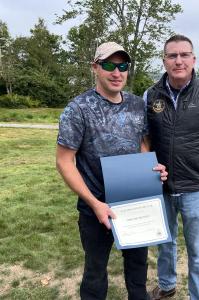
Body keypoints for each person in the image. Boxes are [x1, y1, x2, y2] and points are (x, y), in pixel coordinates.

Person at [56, 41, 167, 300]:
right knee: (95, 274)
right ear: (95, 67)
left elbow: (143, 144)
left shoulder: (138, 105)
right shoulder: (78, 109)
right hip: (95, 207)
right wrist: (95, 203)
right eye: (109, 65)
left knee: (138, 273)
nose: (117, 72)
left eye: (123, 66)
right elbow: (64, 161)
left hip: (134, 203)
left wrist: (152, 171)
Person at [144, 35, 199, 300]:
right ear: (164, 61)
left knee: (198, 251)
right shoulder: (150, 95)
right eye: (172, 56)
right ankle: (167, 285)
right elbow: (145, 138)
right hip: (161, 186)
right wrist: (148, 165)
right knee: (165, 242)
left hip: (197, 188)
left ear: (194, 59)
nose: (178, 60)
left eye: (184, 54)